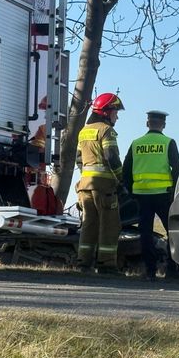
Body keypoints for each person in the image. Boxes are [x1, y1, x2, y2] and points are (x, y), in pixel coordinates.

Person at [123, 110, 179, 281]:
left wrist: (131, 190)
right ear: (163, 125)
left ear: (147, 123)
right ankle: (173, 269)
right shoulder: (168, 142)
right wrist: (173, 191)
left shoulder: (136, 144)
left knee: (146, 233)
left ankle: (149, 271)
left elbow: (126, 170)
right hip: (163, 195)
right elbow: (178, 168)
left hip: (142, 196)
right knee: (172, 231)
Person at [75, 92, 125, 273]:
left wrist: (86, 176)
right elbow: (111, 157)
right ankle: (107, 264)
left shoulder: (83, 131)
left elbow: (79, 159)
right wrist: (121, 179)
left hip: (84, 187)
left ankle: (83, 263)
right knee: (109, 225)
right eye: (115, 112)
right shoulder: (106, 130)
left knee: (89, 224)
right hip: (104, 189)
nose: (117, 116)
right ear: (106, 112)